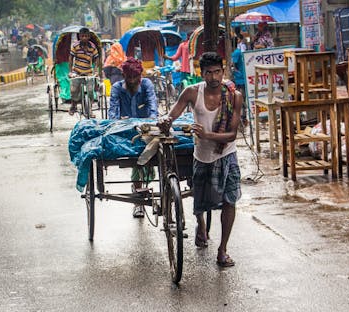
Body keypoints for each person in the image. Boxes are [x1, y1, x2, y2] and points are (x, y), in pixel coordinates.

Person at [158, 52, 243, 267]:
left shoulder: (234, 96)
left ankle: (223, 249)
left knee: (229, 201)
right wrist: (166, 120)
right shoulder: (192, 93)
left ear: (222, 72)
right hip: (202, 156)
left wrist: (207, 135)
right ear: (201, 73)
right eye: (208, 73)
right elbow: (173, 113)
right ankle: (201, 224)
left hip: (227, 154)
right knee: (200, 200)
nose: (213, 77)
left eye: (217, 72)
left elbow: (232, 135)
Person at [108, 57, 158, 218]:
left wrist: (150, 122)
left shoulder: (147, 85)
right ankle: (138, 200)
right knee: (137, 160)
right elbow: (113, 111)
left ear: (140, 75)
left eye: (134, 77)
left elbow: (152, 107)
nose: (131, 80)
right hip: (127, 132)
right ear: (123, 76)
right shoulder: (117, 88)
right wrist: (117, 123)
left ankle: (154, 193)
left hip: (148, 129)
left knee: (160, 154)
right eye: (128, 77)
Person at [68, 27, 99, 115]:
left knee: (90, 91)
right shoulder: (75, 46)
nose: (84, 38)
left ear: (89, 36)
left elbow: (97, 58)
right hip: (77, 71)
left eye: (86, 36)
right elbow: (71, 58)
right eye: (82, 36)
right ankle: (73, 105)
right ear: (79, 37)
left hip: (88, 72)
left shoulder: (92, 47)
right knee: (74, 90)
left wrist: (96, 71)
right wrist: (70, 72)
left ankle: (90, 109)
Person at [231, 35, 248, 126]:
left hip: (239, 79)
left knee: (239, 100)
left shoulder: (236, 53)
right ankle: (243, 117)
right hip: (241, 79)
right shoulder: (238, 52)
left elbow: (233, 66)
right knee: (242, 99)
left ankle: (241, 118)